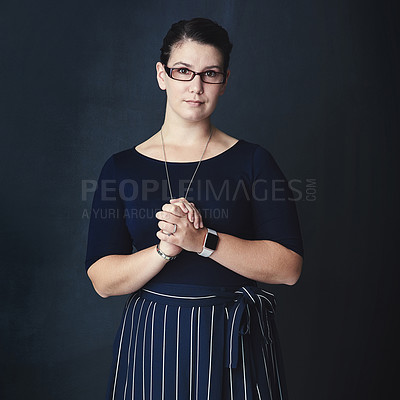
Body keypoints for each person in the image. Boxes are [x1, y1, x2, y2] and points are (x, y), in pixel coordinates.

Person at [85, 17, 304, 400]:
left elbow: (288, 268)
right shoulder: (122, 167)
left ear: (225, 80)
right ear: (162, 75)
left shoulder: (254, 161)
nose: (196, 87)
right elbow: (103, 281)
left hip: (234, 338)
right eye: (183, 71)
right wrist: (164, 250)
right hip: (155, 335)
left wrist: (203, 240)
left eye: (210, 74)